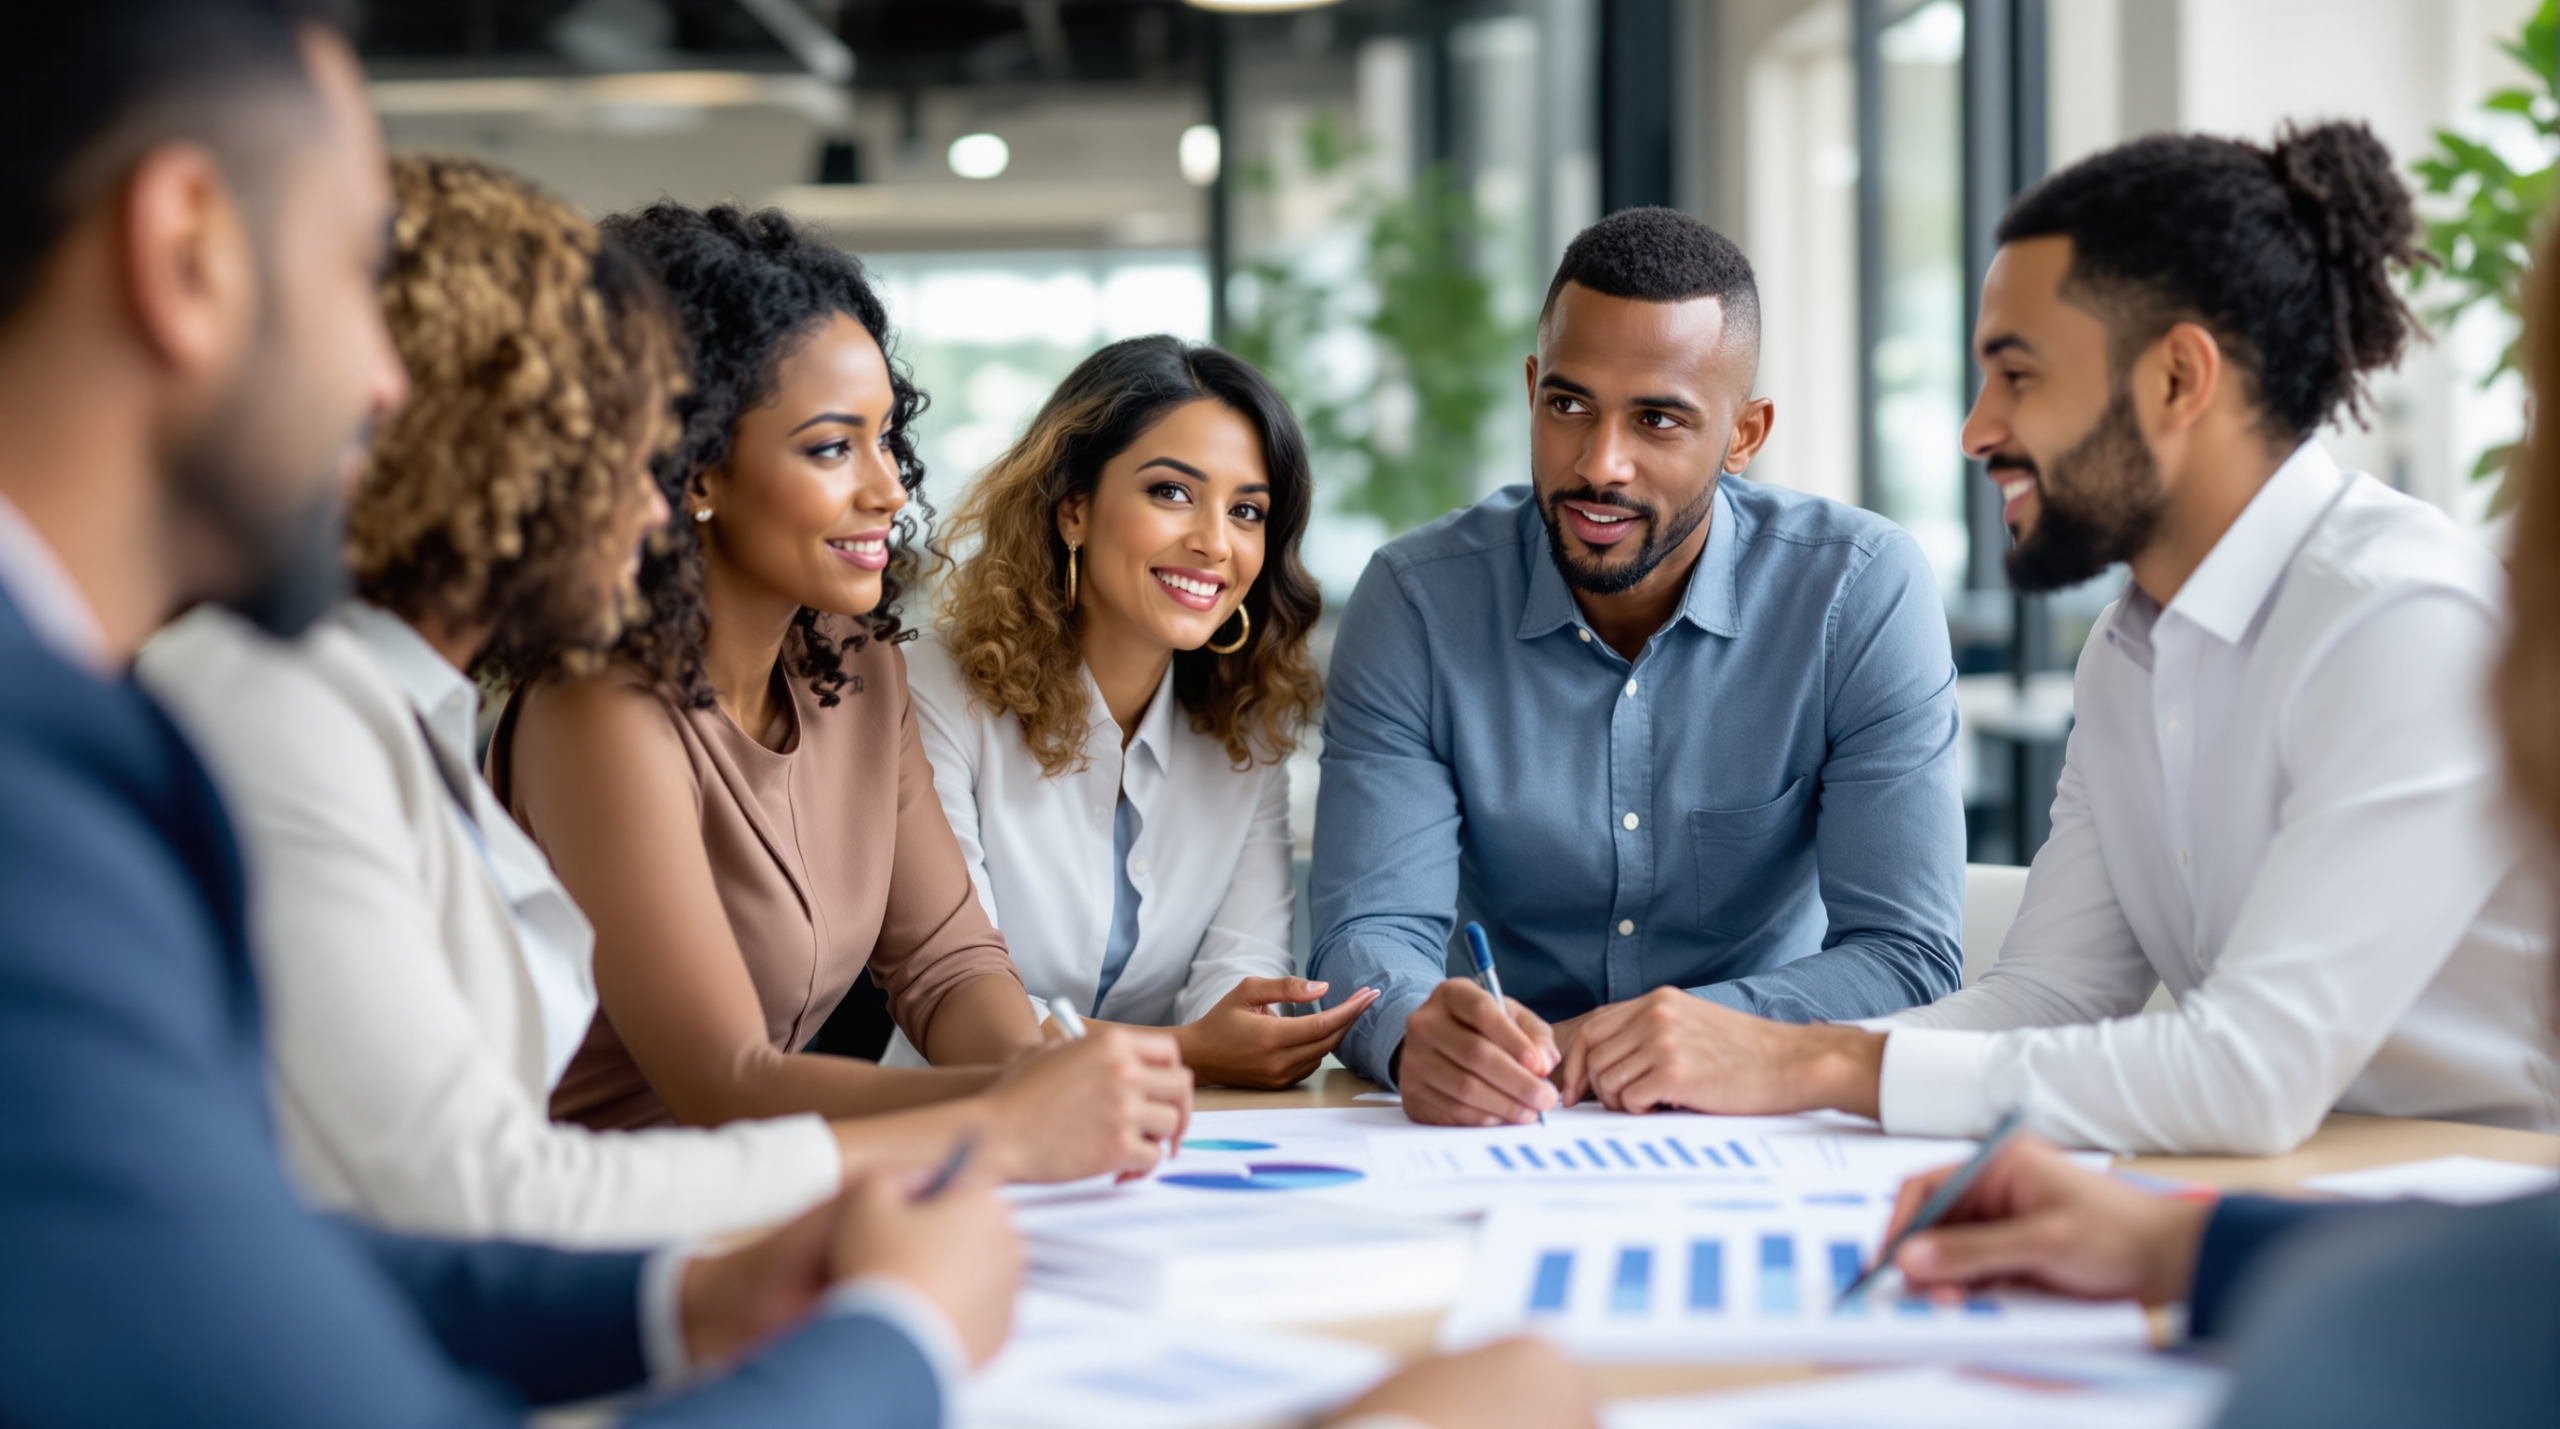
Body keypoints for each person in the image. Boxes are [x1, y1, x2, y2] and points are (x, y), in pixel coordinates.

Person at [0, 4, 1020, 1422]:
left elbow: (272, 1254)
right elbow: (463, 1202)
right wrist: (900, 1335)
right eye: (355, 278)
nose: (381, 385)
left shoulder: (268, 709)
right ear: (186, 252)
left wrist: (687, 1303)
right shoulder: (107, 753)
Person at [1554, 125, 2559, 1155]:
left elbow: (2253, 1073)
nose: (1975, 428)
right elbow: (2052, 995)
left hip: (2493, 1222)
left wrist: (1802, 1061)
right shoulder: (2129, 653)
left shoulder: (2397, 619)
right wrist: (1733, 1075)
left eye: (2018, 376)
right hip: (2288, 1202)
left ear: (2176, 379)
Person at [137, 153, 1083, 1247]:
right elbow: (488, 1189)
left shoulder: (396, 710)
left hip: (632, 1247)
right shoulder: (292, 717)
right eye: (620, 447)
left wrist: (1024, 1104)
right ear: (485, 449)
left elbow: (469, 1177)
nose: (651, 497)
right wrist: (1002, 1123)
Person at [494, 200, 1193, 1176]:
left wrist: (1053, 1075)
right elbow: (723, 1082)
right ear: (693, 470)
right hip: (598, 1224)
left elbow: (946, 962)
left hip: (770, 1200)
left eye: (884, 436)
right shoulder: (596, 711)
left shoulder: (855, 666)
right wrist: (1026, 1103)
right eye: (831, 447)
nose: (889, 488)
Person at [1310, 205, 1967, 1127]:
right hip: (1498, 1121)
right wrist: (1421, 1031)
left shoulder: (1857, 593)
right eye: (1568, 405)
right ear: (1533, 388)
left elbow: (1906, 952)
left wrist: (1711, 1030)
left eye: (1657, 419)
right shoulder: (1417, 601)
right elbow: (1366, 933)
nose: (1598, 464)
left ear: (1745, 434)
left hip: (1769, 1126)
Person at [909, 335, 1373, 1089]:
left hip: (1175, 1136)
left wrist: (1239, 1034)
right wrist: (1188, 1049)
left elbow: (1242, 969)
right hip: (956, 1128)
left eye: (1248, 510)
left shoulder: (1247, 725)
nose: (1214, 542)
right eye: (1172, 492)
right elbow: (964, 1011)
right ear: (1073, 511)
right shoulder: (934, 688)